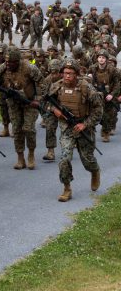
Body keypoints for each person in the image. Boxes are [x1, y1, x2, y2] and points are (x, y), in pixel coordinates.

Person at [48, 58, 103, 202]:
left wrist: (85, 124)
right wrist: (54, 109)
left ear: (76, 74)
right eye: (65, 73)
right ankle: (67, 188)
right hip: (67, 128)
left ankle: (95, 171)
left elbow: (98, 109)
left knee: (87, 160)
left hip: (84, 127)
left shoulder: (86, 88)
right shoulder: (56, 87)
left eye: (70, 73)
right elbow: (45, 102)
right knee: (64, 159)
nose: (67, 76)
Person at [0, 47, 44, 170]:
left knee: (29, 129)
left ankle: (31, 155)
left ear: (18, 61)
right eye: (6, 62)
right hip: (13, 103)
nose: (8, 65)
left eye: (11, 62)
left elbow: (41, 83)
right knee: (16, 130)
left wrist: (38, 99)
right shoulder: (3, 68)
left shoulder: (29, 68)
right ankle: (20, 158)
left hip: (30, 102)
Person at [88, 49, 120, 142]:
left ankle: (106, 133)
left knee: (107, 115)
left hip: (108, 95)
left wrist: (112, 95)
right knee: (94, 114)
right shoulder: (92, 68)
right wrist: (89, 78)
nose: (101, 59)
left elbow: (117, 85)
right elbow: (86, 81)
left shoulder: (112, 70)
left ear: (106, 59)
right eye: (99, 57)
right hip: (96, 94)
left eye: (103, 58)